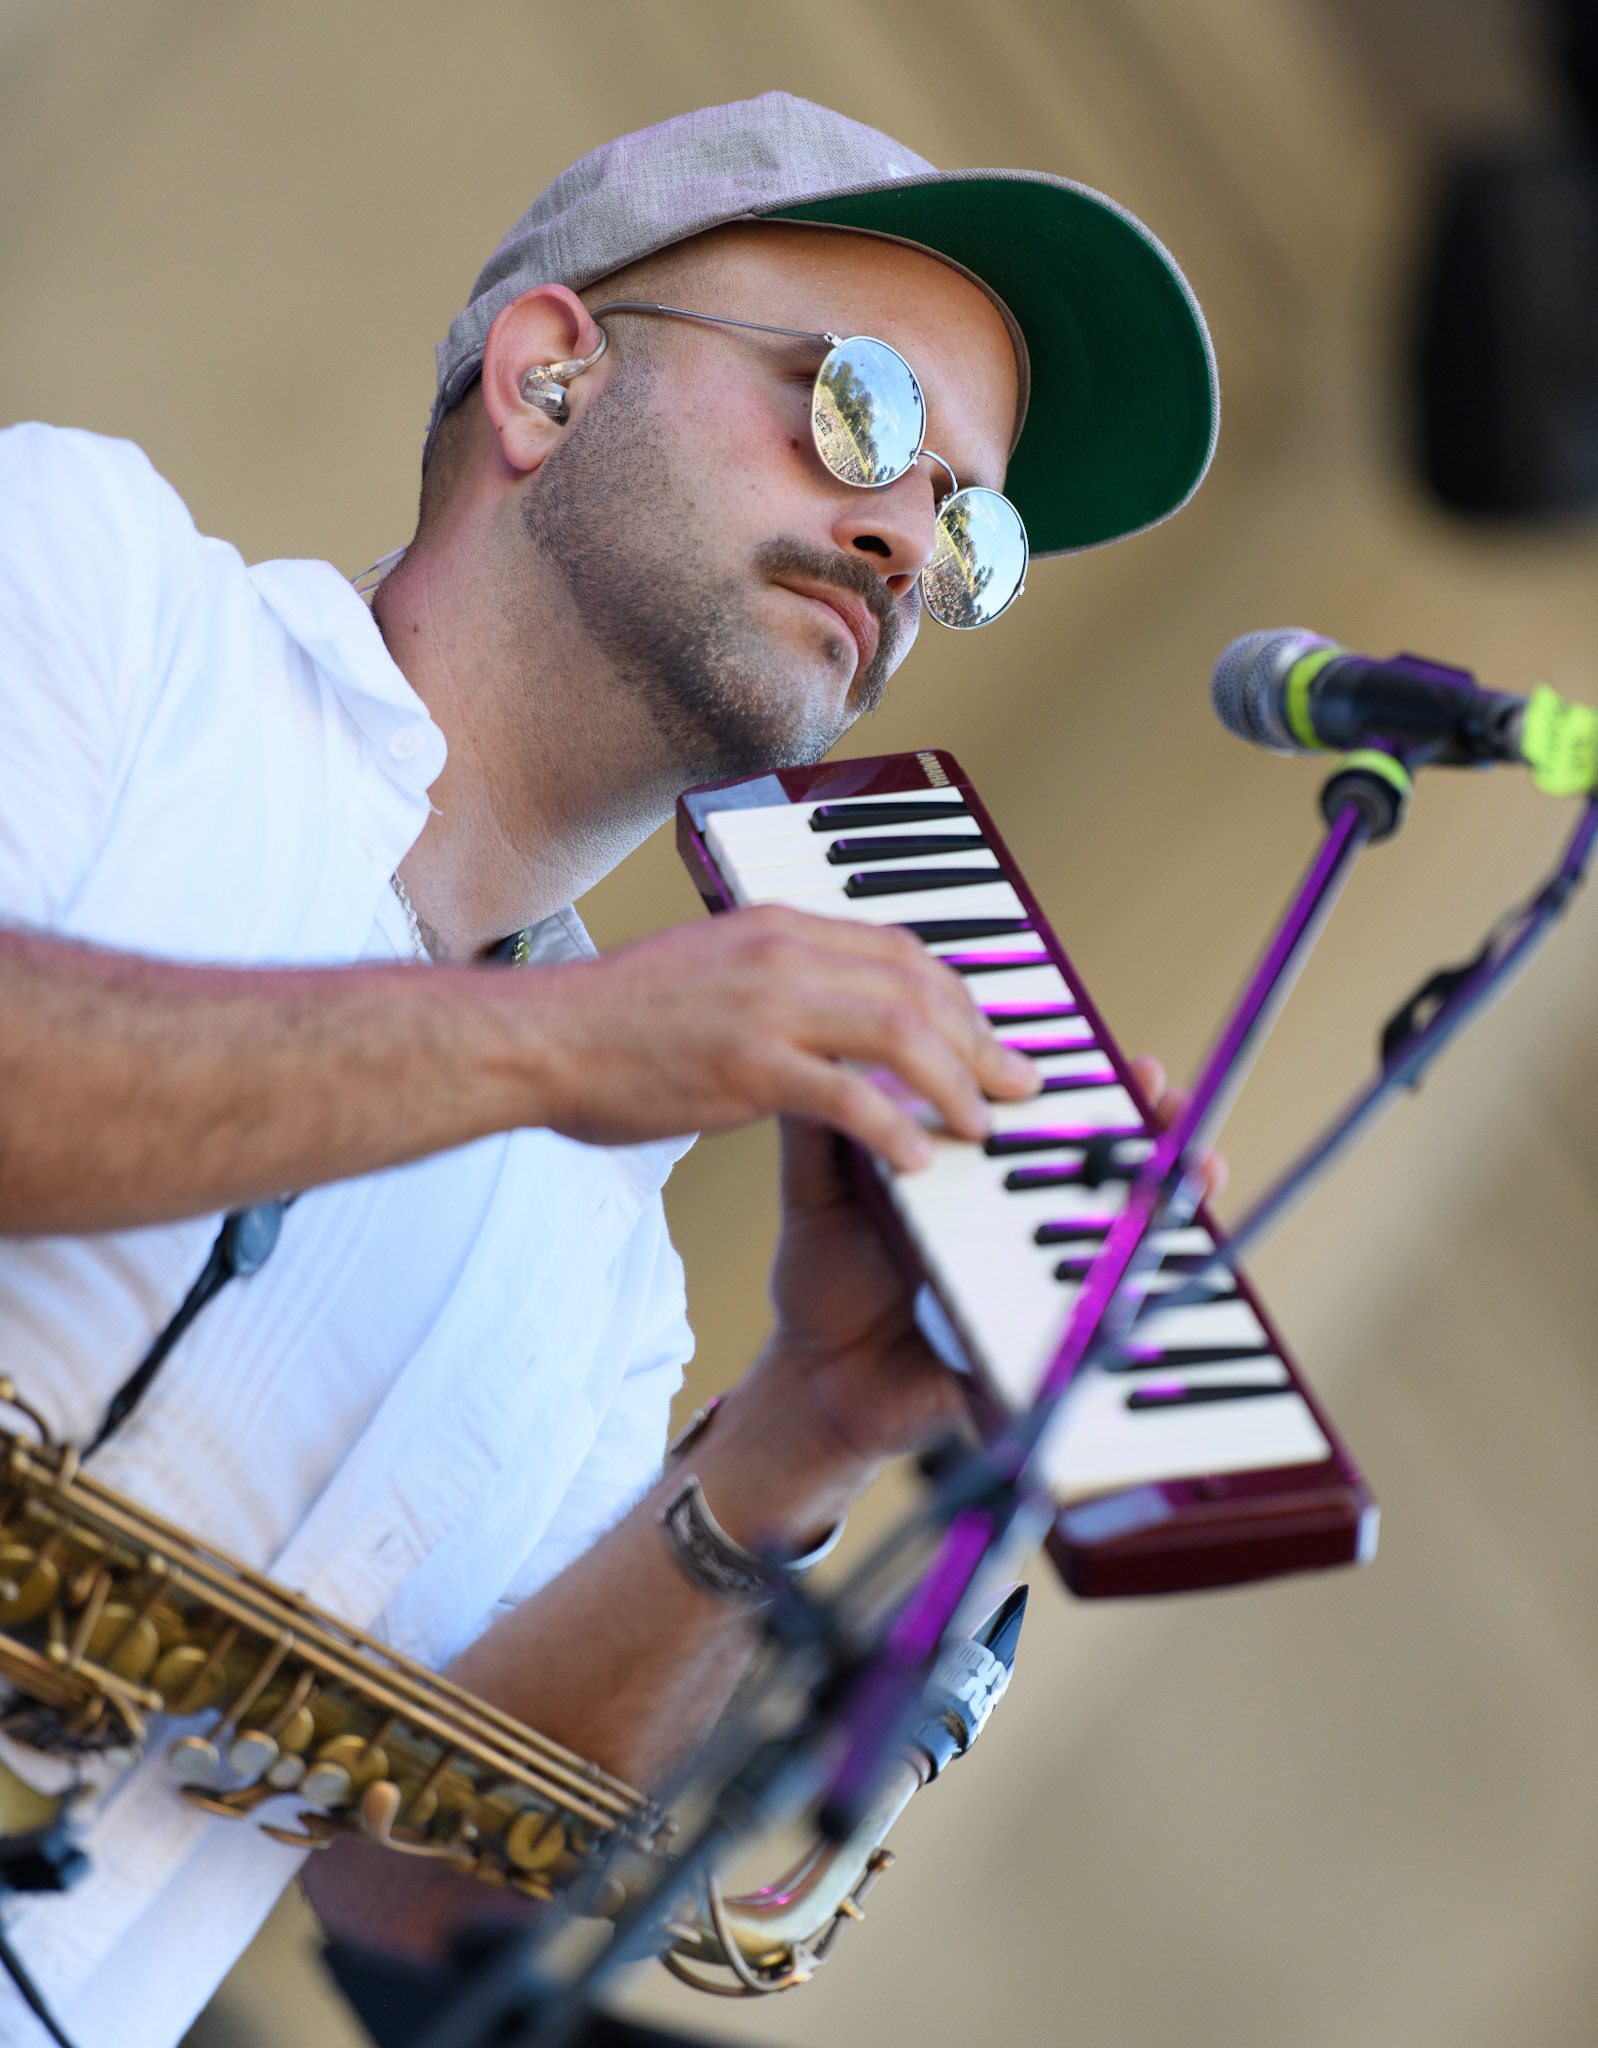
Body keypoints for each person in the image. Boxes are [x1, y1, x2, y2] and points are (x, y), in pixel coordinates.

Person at [0, 92, 1217, 2046]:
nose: (906, 535)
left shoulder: (612, 1278)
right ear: (547, 376)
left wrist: (800, 1433)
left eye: (970, 530)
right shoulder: (91, 574)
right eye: (857, 411)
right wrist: (566, 1042)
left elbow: (413, 1904)